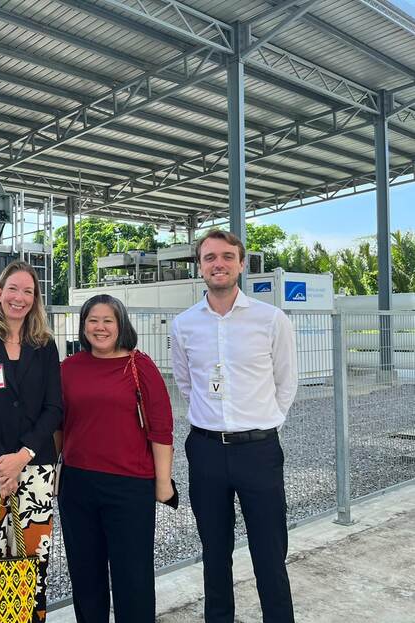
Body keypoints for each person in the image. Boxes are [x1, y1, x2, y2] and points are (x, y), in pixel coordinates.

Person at [170, 229, 298, 623]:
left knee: (269, 552)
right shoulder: (183, 324)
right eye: (210, 258)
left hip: (258, 450)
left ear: (241, 264)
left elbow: (286, 381)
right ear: (200, 267)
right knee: (214, 552)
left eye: (227, 256)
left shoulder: (270, 319)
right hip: (206, 450)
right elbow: (186, 382)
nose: (218, 264)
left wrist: (261, 422)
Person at [59, 294, 174, 623]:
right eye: (93, 320)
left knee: (133, 576)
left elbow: (162, 428)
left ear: (121, 324)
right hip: (78, 485)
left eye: (108, 320)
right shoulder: (68, 369)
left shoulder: (140, 366)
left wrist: (163, 483)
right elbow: (58, 424)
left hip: (130, 486)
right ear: (83, 326)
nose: (100, 327)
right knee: (85, 575)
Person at [0, 260, 62, 623]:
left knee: (30, 558)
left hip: (35, 468)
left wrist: (22, 456)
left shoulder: (46, 347)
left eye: (28, 292)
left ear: (35, 301)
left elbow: (54, 408)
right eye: (13, 289)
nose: (19, 298)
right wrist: (1, 462)